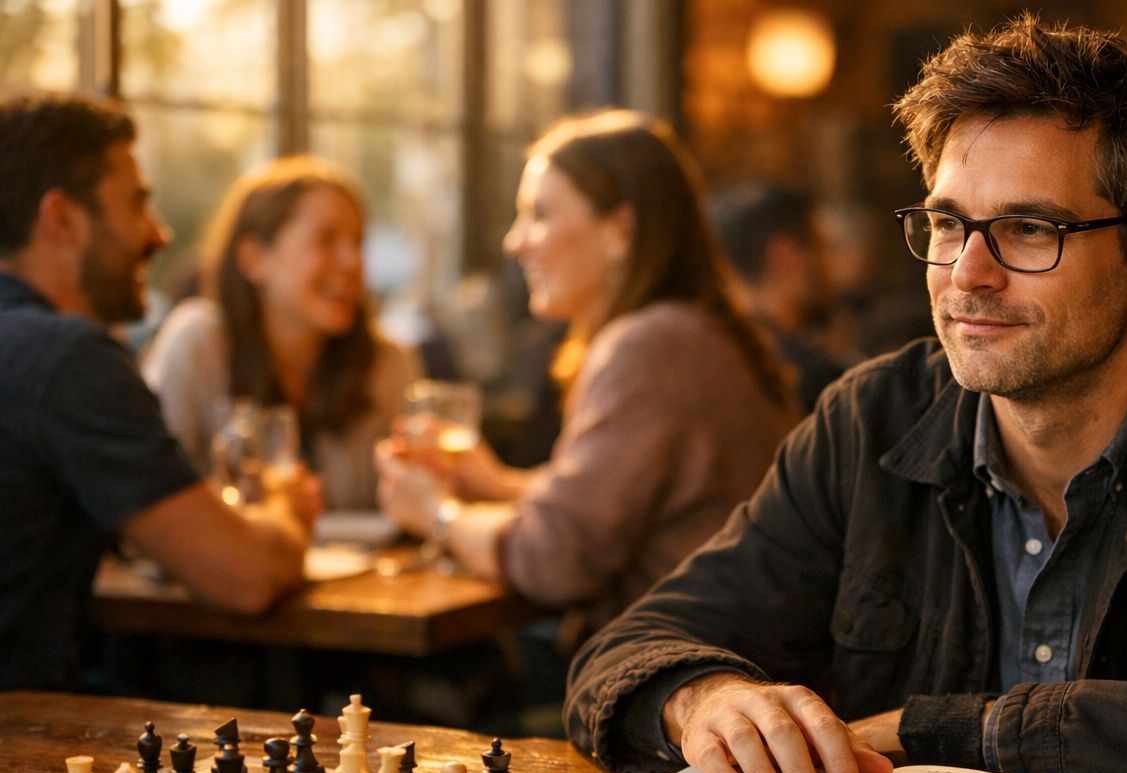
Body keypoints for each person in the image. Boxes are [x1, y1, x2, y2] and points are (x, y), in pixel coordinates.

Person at [565, 15, 1127, 773]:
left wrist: (945, 732)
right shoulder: (871, 420)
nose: (967, 273)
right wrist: (706, 698)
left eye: (1028, 229)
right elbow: (630, 650)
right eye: (948, 223)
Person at [377, 110, 802, 636]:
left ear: (620, 230)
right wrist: (495, 483)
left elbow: (554, 560)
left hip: (689, 663)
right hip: (722, 649)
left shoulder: (651, 345)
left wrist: (436, 514)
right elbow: (607, 508)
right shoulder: (687, 330)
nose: (515, 242)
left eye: (539, 215)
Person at [0, 93, 314, 691]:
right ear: (61, 219)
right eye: (137, 203)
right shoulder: (65, 359)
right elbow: (245, 577)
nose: (159, 233)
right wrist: (285, 510)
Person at [143, 156, 419, 511]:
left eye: (358, 242)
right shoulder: (197, 343)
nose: (353, 262)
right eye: (326, 239)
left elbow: (418, 495)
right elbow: (147, 491)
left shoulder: (388, 361)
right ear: (254, 259)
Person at [711, 182, 848, 410]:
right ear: (786, 255)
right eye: (823, 245)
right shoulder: (818, 383)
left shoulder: (710, 363)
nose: (833, 265)